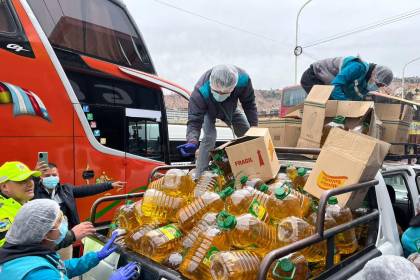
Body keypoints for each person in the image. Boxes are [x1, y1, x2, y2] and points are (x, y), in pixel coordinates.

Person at [0, 199, 137, 279]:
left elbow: (62, 268)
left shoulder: (20, 253)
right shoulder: (40, 274)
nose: (65, 222)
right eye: (59, 221)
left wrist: (96, 256)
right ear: (44, 233)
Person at [177, 65, 258, 176]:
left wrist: (254, 127)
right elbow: (194, 120)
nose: (220, 95)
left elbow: (249, 104)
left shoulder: (243, 80)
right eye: (217, 92)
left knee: (247, 133)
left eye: (224, 93)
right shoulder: (200, 91)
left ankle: (255, 169)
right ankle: (200, 175)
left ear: (234, 87)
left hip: (230, 108)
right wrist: (192, 140)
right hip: (208, 110)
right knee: (209, 136)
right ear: (211, 84)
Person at [34, 162, 126, 260]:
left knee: (64, 267)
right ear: (41, 178)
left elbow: (88, 189)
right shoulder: (35, 193)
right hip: (45, 240)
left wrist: (110, 185)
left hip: (65, 238)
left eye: (54, 175)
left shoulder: (66, 190)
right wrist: (34, 177)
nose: (51, 177)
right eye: (47, 175)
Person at [0, 161, 93, 248]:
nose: (30, 184)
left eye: (31, 179)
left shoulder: (22, 203)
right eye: (22, 181)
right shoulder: (3, 214)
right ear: (4, 187)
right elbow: (16, 253)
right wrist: (71, 235)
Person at [300, 56, 393, 100]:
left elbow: (356, 97)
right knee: (327, 105)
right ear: (375, 74)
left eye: (381, 86)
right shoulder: (358, 67)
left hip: (325, 82)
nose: (377, 87)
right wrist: (345, 103)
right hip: (314, 76)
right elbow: (336, 85)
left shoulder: (364, 83)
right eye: (378, 84)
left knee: (334, 106)